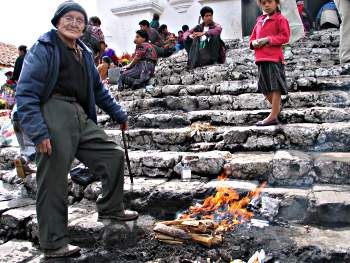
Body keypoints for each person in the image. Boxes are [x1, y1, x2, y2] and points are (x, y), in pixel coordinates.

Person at [15, 1, 138, 258]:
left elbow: (98, 90)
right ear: (57, 21)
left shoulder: (82, 51)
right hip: (53, 110)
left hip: (79, 113)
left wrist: (118, 114)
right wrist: (38, 132)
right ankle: (54, 242)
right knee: (54, 177)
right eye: (68, 18)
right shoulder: (44, 47)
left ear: (84, 27)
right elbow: (26, 92)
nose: (74, 23)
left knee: (112, 155)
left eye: (79, 20)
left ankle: (110, 207)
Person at [249, 0, 290, 126]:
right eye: (263, 2)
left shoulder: (280, 19)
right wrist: (253, 43)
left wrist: (268, 39)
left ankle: (273, 116)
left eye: (270, 2)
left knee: (275, 86)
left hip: (274, 58)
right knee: (264, 87)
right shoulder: (259, 21)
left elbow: (285, 37)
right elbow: (252, 39)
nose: (266, 5)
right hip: (261, 59)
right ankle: (276, 109)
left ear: (276, 3)